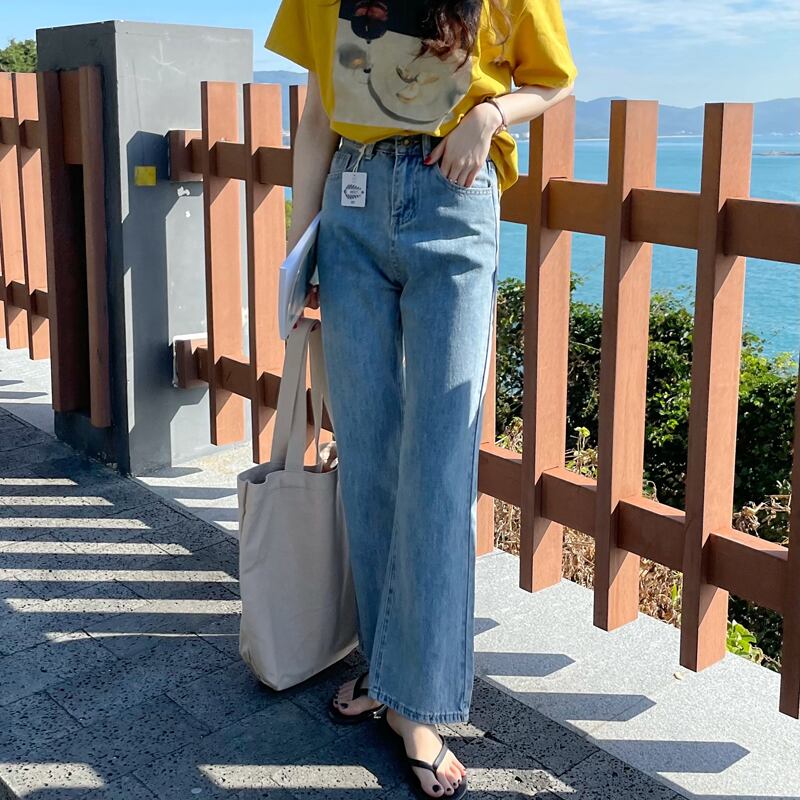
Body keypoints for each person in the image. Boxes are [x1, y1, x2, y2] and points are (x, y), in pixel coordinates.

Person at [265, 1, 576, 797]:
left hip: (455, 196)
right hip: (351, 207)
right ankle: (387, 669)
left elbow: (553, 80)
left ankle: (419, 706)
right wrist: (301, 251)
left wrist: (490, 116)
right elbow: (317, 114)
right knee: (368, 452)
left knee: (438, 464)